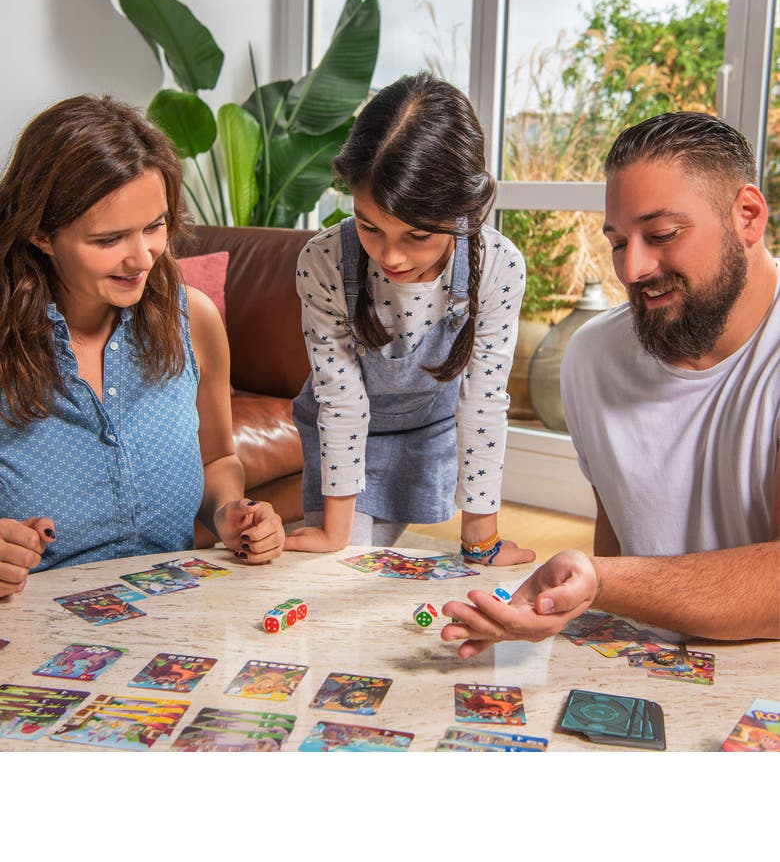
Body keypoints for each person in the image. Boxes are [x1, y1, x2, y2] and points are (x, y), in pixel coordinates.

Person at [442, 111, 780, 653]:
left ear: (748, 216)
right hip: (640, 662)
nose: (632, 269)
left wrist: (599, 582)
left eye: (662, 234)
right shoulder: (592, 357)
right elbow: (618, 543)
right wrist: (571, 605)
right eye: (619, 242)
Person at [0, 94, 284, 598]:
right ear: (41, 233)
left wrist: (230, 513)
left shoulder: (193, 320)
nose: (143, 259)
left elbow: (218, 458)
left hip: (171, 612)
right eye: (109, 239)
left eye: (155, 226)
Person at [285, 72, 535, 565]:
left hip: (428, 432)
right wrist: (335, 534)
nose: (391, 257)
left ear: (463, 208)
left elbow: (483, 403)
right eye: (370, 227)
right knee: (337, 566)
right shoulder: (324, 259)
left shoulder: (498, 265)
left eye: (417, 236)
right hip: (342, 433)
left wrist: (481, 541)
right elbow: (340, 399)